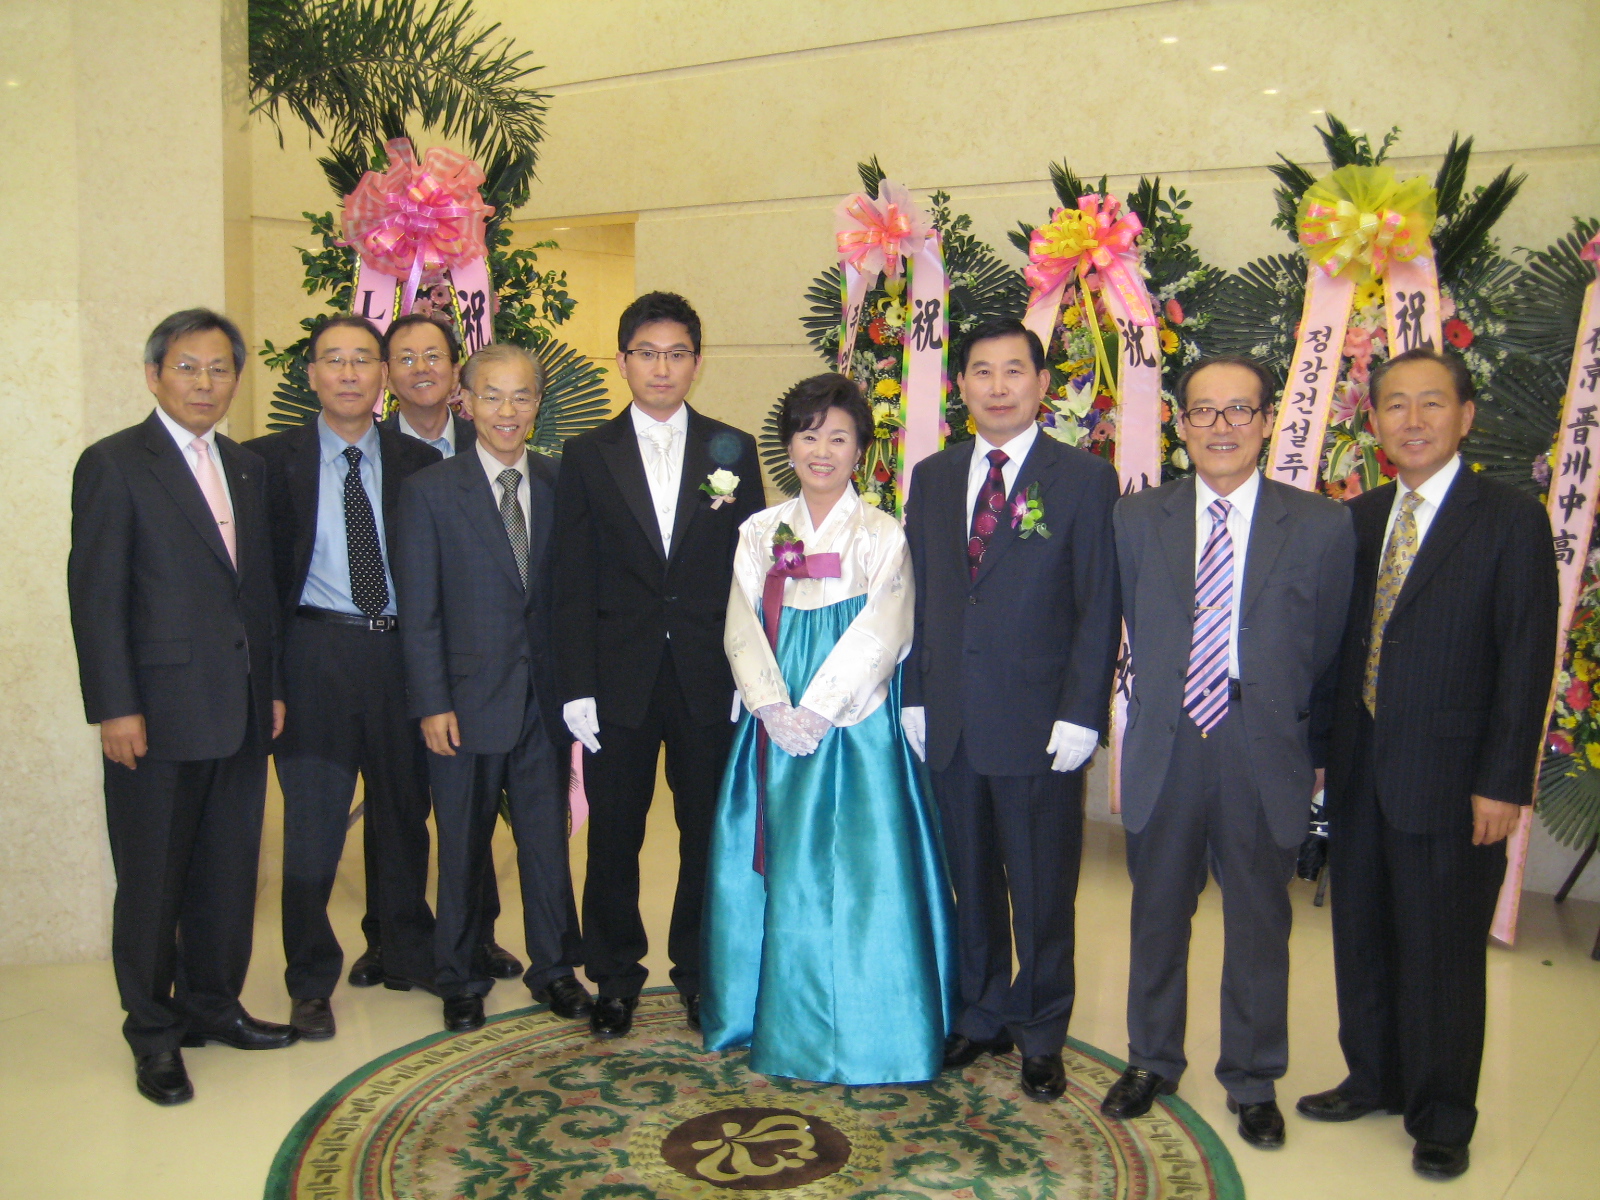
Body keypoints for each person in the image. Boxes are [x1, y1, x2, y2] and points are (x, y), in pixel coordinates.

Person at [1297, 347, 1558, 1180]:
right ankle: (1373, 1077)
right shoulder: (1358, 517)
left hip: (1454, 781)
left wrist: (1503, 782)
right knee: (1361, 934)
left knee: (1443, 952)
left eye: (1431, 403)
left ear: (1465, 415)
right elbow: (1337, 649)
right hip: (1360, 767)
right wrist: (1319, 756)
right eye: (1395, 405)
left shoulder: (1509, 519)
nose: (1412, 420)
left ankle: (1443, 1115)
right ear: (1374, 421)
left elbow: (1526, 660)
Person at [1102, 356, 1356, 1148]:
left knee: (1258, 921)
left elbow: (1329, 647)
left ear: (1266, 420)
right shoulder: (1136, 519)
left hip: (1261, 739)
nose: (1221, 427)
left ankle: (1252, 1078)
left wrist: (1305, 739)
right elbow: (1129, 621)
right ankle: (1151, 1057)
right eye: (1203, 412)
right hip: (1168, 738)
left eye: (1239, 410)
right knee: (1156, 912)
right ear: (1179, 424)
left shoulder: (1320, 524)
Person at [701, 373, 957, 1084]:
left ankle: (880, 1030)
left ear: (860, 451)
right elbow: (740, 624)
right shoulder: (759, 531)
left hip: (857, 725)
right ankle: (771, 1018)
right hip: (775, 723)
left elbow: (886, 627)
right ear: (788, 445)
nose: (822, 451)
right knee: (783, 866)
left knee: (861, 868)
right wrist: (770, 706)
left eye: (839, 438)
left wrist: (820, 708)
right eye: (809, 435)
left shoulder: (881, 534)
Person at [68, 308, 295, 1105]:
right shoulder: (114, 464)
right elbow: (96, 597)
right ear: (154, 375)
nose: (205, 383)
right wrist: (115, 708)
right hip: (156, 715)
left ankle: (213, 1005)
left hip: (240, 709)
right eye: (188, 368)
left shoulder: (245, 467)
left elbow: (256, 593)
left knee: (227, 873)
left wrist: (270, 686)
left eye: (219, 369)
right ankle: (154, 1034)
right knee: (153, 881)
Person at [901, 316, 1120, 1101]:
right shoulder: (932, 476)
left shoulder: (1083, 479)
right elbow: (921, 595)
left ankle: (1042, 1028)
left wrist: (1083, 711)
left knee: (1041, 890)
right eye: (982, 372)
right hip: (952, 721)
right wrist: (916, 693)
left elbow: (1099, 602)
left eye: (1014, 371)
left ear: (1042, 383)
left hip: (1040, 725)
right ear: (960, 386)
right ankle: (983, 1010)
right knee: (970, 880)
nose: (998, 387)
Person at [552, 291, 763, 1038]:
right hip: (617, 677)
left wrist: (748, 673)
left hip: (709, 677)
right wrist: (576, 684)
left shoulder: (732, 448)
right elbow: (569, 575)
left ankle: (700, 973)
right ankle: (614, 976)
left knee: (707, 833)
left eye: (676, 354)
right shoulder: (586, 455)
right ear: (623, 361)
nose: (662, 368)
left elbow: (751, 575)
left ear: (697, 362)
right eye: (647, 353)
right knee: (614, 833)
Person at [245, 315, 442, 1040]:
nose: (350, 373)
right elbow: (255, 587)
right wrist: (269, 682)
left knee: (403, 815)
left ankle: (402, 950)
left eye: (364, 359)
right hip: (313, 657)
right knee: (313, 826)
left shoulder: (420, 463)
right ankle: (308, 980)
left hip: (399, 657)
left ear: (383, 375)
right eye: (335, 360)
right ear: (311, 375)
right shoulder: (265, 462)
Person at [394, 342, 590, 1033]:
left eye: (521, 396)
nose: (508, 410)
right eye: (492, 395)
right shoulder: (429, 492)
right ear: (467, 402)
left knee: (546, 842)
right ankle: (459, 975)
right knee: (461, 846)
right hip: (464, 702)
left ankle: (555, 969)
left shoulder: (563, 483)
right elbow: (419, 610)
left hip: (544, 701)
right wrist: (432, 702)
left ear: (537, 405)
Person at [360, 311, 521, 992]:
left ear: (458, 373)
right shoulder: (369, 447)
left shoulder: (488, 438)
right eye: (405, 357)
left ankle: (476, 934)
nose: (421, 368)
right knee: (396, 805)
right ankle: (392, 938)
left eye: (434, 355)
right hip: (383, 651)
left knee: (469, 807)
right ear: (386, 374)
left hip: (474, 667)